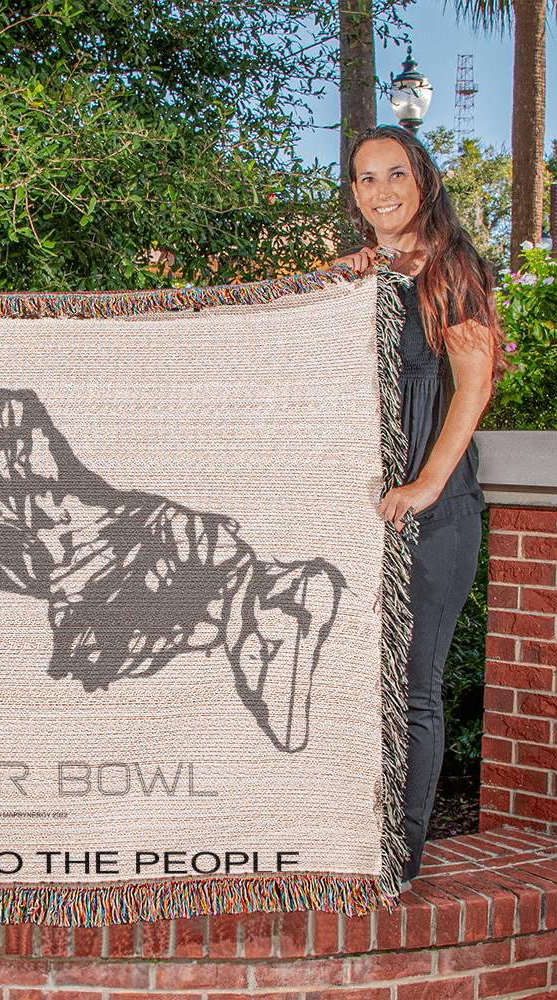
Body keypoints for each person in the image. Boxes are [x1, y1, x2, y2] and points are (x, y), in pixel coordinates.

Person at [329, 124, 504, 891]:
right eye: (366, 178)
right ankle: (348, 838)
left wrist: (427, 484)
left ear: (423, 179)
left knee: (413, 691)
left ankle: (398, 858)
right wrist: (337, 282)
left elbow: (474, 382)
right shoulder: (360, 277)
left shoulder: (452, 268)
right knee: (354, 684)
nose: (382, 191)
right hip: (365, 520)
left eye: (395, 173)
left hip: (434, 516)